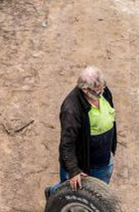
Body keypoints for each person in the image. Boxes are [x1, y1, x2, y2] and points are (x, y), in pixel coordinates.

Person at [46, 66, 117, 199]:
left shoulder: (102, 90)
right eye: (98, 91)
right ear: (85, 90)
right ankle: (53, 194)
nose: (102, 92)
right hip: (83, 162)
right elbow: (67, 144)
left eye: (103, 87)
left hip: (103, 158)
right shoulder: (71, 109)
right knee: (69, 192)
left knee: (98, 194)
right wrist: (73, 171)